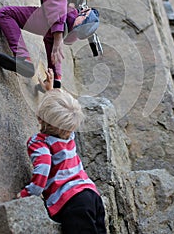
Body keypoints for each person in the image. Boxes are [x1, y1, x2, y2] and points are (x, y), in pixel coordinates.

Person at [16, 68, 107, 234]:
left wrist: (28, 193)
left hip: (72, 202)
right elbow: (62, 114)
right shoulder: (68, 134)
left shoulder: (39, 143)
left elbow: (43, 170)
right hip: (92, 196)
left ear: (40, 118)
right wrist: (50, 92)